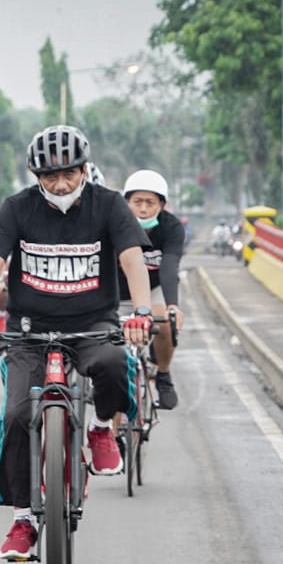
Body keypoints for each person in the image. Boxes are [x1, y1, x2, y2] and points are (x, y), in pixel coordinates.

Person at [0, 125, 153, 560]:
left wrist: (140, 313)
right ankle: (23, 518)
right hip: (30, 330)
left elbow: (131, 259)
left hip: (92, 325)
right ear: (35, 175)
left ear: (84, 169)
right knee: (17, 416)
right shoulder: (16, 209)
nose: (60, 184)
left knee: (116, 363)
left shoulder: (109, 205)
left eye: (68, 173)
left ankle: (102, 429)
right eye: (49, 176)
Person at [121, 169, 185, 408]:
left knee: (164, 320)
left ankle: (164, 375)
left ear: (162, 205)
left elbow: (170, 266)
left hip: (155, 288)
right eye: (137, 202)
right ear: (127, 203)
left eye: (150, 202)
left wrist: (173, 306)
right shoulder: (115, 225)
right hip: (119, 292)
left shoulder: (172, 228)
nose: (144, 209)